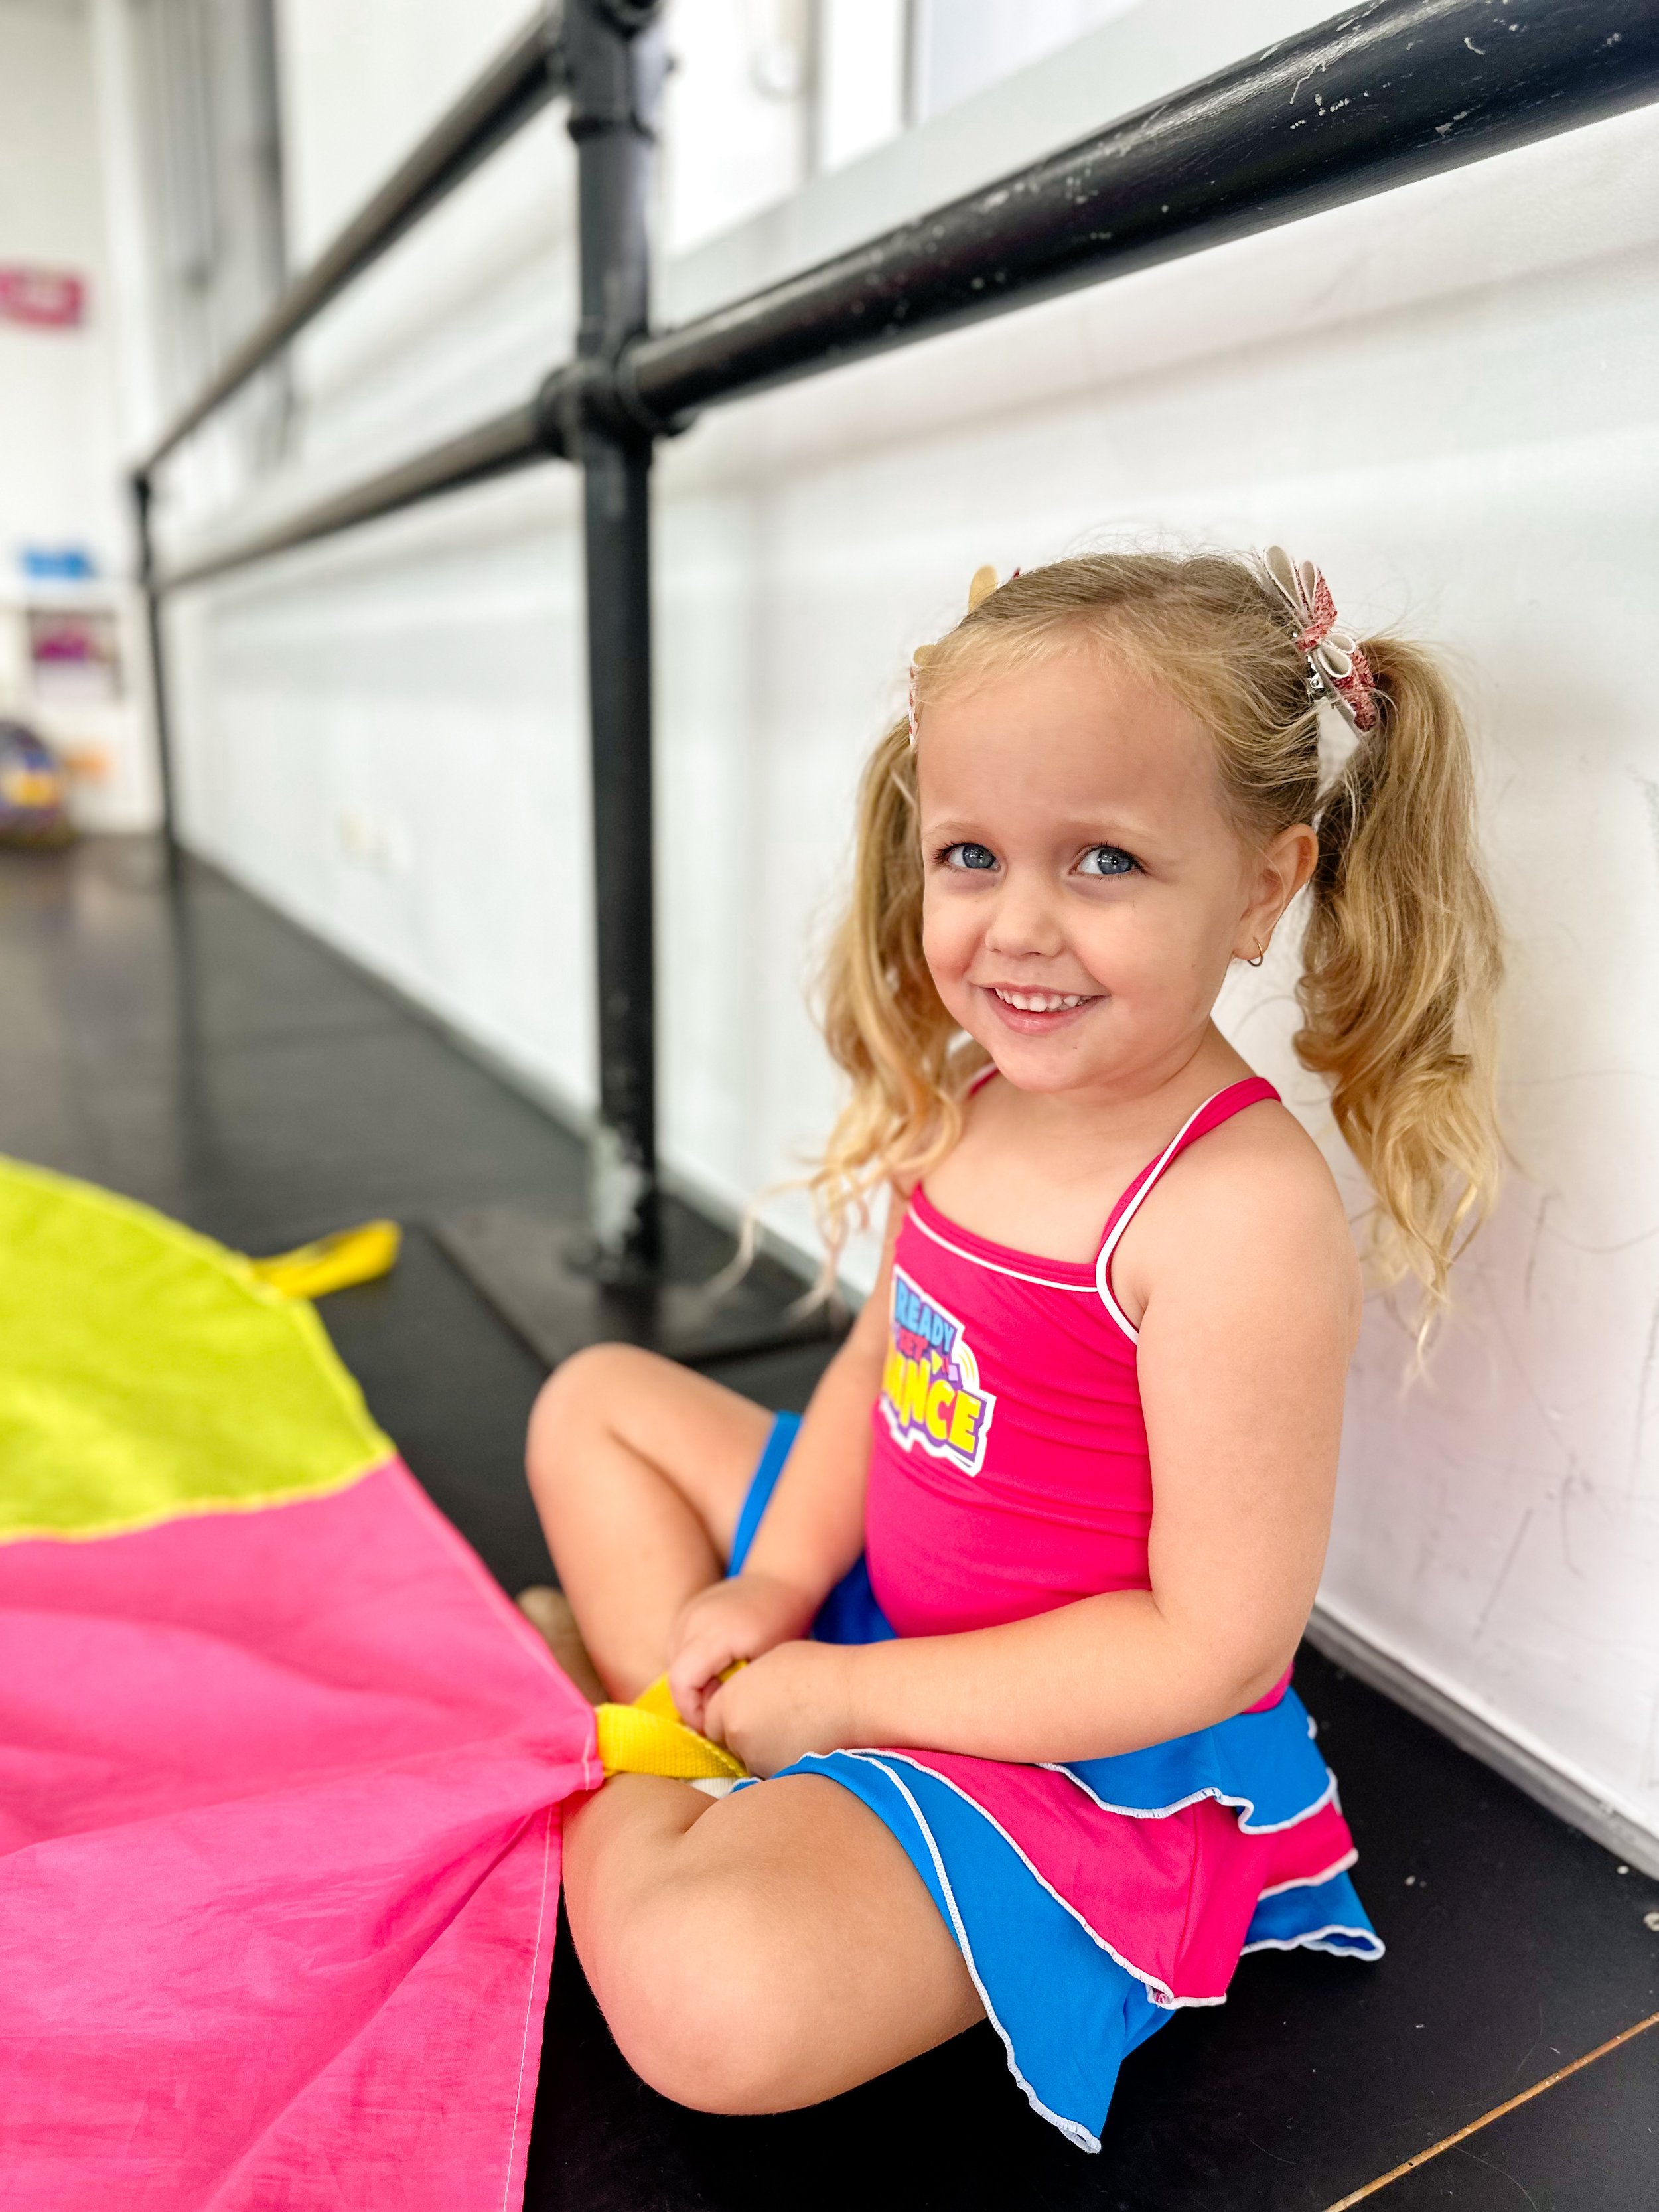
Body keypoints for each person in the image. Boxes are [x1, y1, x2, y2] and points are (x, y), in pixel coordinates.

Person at [523, 546, 1503, 2150]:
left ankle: (622, 1720)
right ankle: (702, 1742)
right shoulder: (977, 1096)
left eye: (1103, 859)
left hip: (1064, 1740)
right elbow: (874, 1379)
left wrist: (844, 1700)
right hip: (870, 1610)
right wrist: (768, 1589)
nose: (1017, 927)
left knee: (715, 2006)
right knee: (593, 1404)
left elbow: (1212, 1646)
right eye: (970, 853)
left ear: (1263, 882)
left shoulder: (1230, 1209)